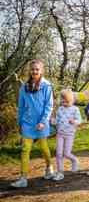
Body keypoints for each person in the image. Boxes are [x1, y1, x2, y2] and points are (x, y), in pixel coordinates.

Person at [11, 59, 54, 188]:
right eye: (32, 69)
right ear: (29, 71)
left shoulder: (47, 86)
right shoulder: (24, 87)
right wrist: (19, 122)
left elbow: (49, 106)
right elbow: (21, 106)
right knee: (25, 150)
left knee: (44, 147)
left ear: (41, 71)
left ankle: (48, 167)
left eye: (37, 69)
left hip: (41, 123)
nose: (34, 71)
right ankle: (23, 178)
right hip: (27, 123)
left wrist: (43, 121)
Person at [52, 89, 82, 181]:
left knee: (66, 153)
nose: (64, 103)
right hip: (60, 134)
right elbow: (57, 120)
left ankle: (74, 160)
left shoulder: (75, 109)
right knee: (59, 153)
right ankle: (60, 172)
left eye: (67, 102)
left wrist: (74, 121)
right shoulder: (60, 109)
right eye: (63, 101)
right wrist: (53, 121)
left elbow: (79, 120)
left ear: (72, 100)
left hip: (69, 134)